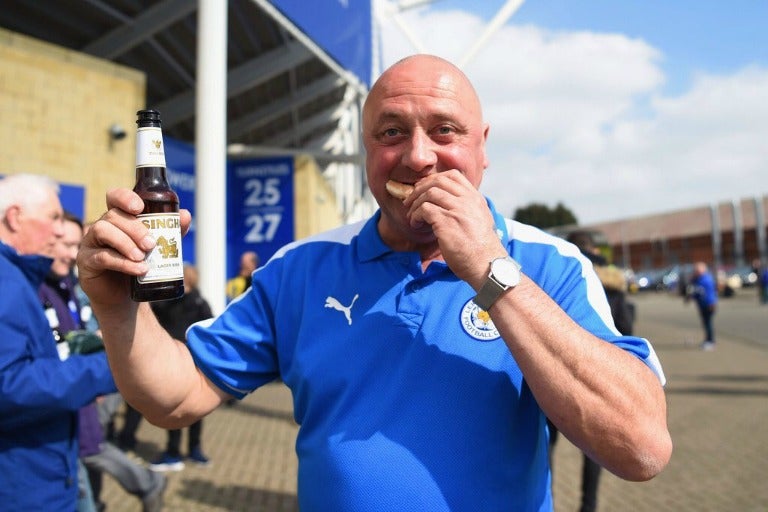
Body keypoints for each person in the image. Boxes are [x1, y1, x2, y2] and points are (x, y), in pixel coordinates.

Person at [77, 55, 672, 511]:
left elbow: (641, 447)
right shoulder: (300, 268)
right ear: (366, 150)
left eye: (445, 130)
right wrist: (116, 311)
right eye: (391, 133)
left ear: (482, 148)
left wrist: (488, 268)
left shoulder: (550, 262)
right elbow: (175, 398)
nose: (418, 157)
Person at [0, 173, 117, 511]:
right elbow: (8, 385)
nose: (58, 229)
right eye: (53, 217)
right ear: (14, 217)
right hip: (23, 487)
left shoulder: (18, 276)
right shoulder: (6, 280)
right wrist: (109, 368)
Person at [39, 211, 167, 512]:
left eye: (75, 244)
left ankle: (139, 485)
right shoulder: (42, 284)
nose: (70, 254)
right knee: (90, 449)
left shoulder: (73, 283)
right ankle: (138, 485)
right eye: (62, 243)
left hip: (90, 384)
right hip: (69, 392)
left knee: (91, 446)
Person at [547, 231, 636, 512]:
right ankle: (589, 505)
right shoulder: (612, 281)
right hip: (596, 377)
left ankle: (545, 499)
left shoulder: (555, 269)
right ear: (594, 248)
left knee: (546, 443)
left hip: (551, 372)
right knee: (593, 450)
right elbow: (625, 331)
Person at [149, 264, 214, 472]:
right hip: (195, 359)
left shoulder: (173, 300)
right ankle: (194, 450)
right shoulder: (200, 301)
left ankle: (174, 453)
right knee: (196, 406)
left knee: (175, 406)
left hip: (175, 359)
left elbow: (155, 315)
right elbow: (210, 327)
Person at [684, 261, 718, 351]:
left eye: (697, 271)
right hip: (701, 305)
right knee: (705, 323)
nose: (695, 272)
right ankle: (707, 340)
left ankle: (711, 341)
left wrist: (712, 303)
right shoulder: (696, 280)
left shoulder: (707, 280)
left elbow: (710, 293)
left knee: (708, 324)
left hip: (709, 305)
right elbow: (693, 292)